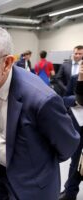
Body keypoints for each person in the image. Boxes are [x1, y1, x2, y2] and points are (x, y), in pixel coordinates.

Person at [0, 25, 80, 199]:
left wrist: (36, 168)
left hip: (32, 188)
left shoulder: (41, 100)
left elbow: (68, 145)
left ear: (7, 63)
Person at [60, 62, 83, 200]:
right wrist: (76, 101)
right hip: (78, 127)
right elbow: (64, 99)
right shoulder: (75, 78)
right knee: (75, 161)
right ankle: (70, 192)